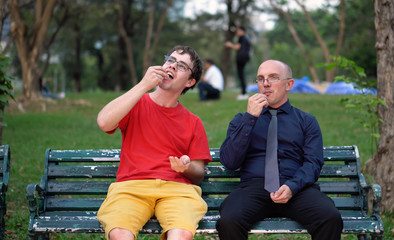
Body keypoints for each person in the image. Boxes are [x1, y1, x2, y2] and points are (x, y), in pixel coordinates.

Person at [216, 60, 343, 240]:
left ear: (289, 84)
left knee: (329, 218)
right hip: (253, 188)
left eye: (273, 78)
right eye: (261, 79)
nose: (265, 83)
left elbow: (313, 162)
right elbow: (229, 161)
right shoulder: (242, 120)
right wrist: (250, 118)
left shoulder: (306, 121)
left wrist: (292, 186)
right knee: (229, 220)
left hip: (296, 188)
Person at [96, 45, 212, 240]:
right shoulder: (135, 103)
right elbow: (104, 122)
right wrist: (142, 86)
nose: (173, 66)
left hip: (177, 191)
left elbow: (199, 174)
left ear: (190, 82)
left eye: (182, 66)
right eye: (171, 60)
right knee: (119, 234)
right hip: (131, 188)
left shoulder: (194, 122)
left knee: (182, 234)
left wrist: (186, 167)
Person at [225, 26, 251, 100]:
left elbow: (237, 47)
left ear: (242, 31)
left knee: (241, 75)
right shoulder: (247, 39)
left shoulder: (241, 37)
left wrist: (229, 45)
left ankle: (243, 93)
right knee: (242, 75)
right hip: (245, 58)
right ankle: (244, 92)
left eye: (239, 31)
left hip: (241, 58)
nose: (237, 32)